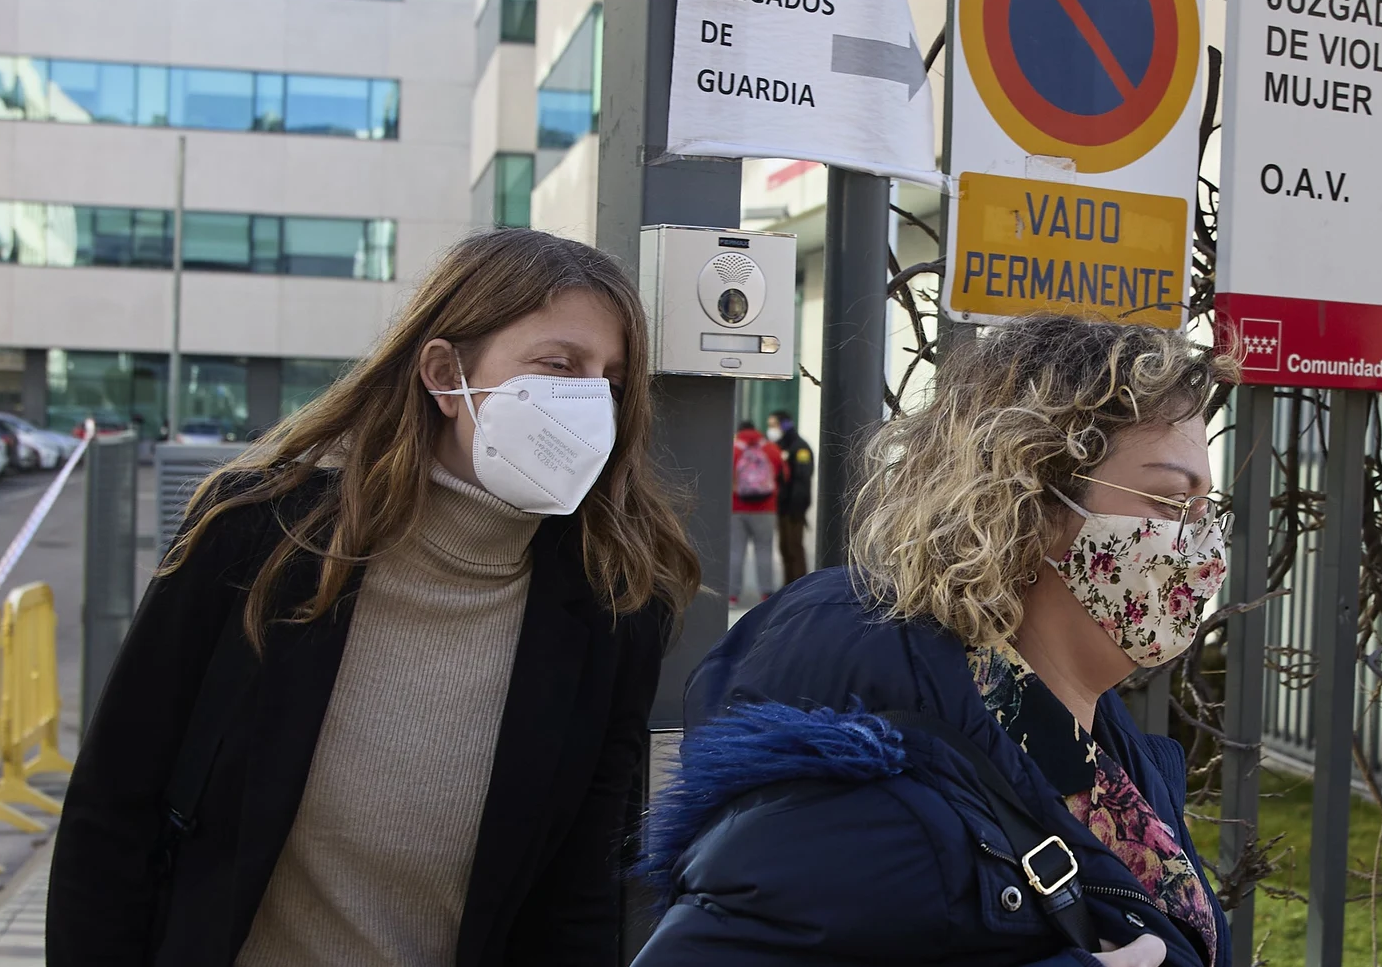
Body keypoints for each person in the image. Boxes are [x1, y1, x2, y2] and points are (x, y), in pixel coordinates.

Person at [48, 229, 701, 967]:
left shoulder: (613, 609)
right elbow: (112, 810)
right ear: (443, 372)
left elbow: (574, 894)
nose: (588, 403)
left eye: (610, 382)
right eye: (558, 365)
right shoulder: (256, 537)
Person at [635, 316, 1235, 967]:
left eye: (1205, 507)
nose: (1202, 545)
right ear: (1029, 503)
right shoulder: (878, 804)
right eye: (1170, 502)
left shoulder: (1090, 738)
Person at [727, 419, 787, 608]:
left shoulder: (733, 449)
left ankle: (732, 596)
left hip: (736, 508)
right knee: (764, 551)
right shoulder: (770, 448)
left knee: (736, 551)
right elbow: (785, 474)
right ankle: (766, 595)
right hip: (766, 509)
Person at [766, 409, 814, 584]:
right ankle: (788, 585)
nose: (770, 429)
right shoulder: (782, 446)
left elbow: (802, 480)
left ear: (784, 425)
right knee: (785, 548)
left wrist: (797, 508)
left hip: (794, 508)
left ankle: (799, 585)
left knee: (794, 548)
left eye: (773, 425)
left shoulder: (799, 448)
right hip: (783, 506)